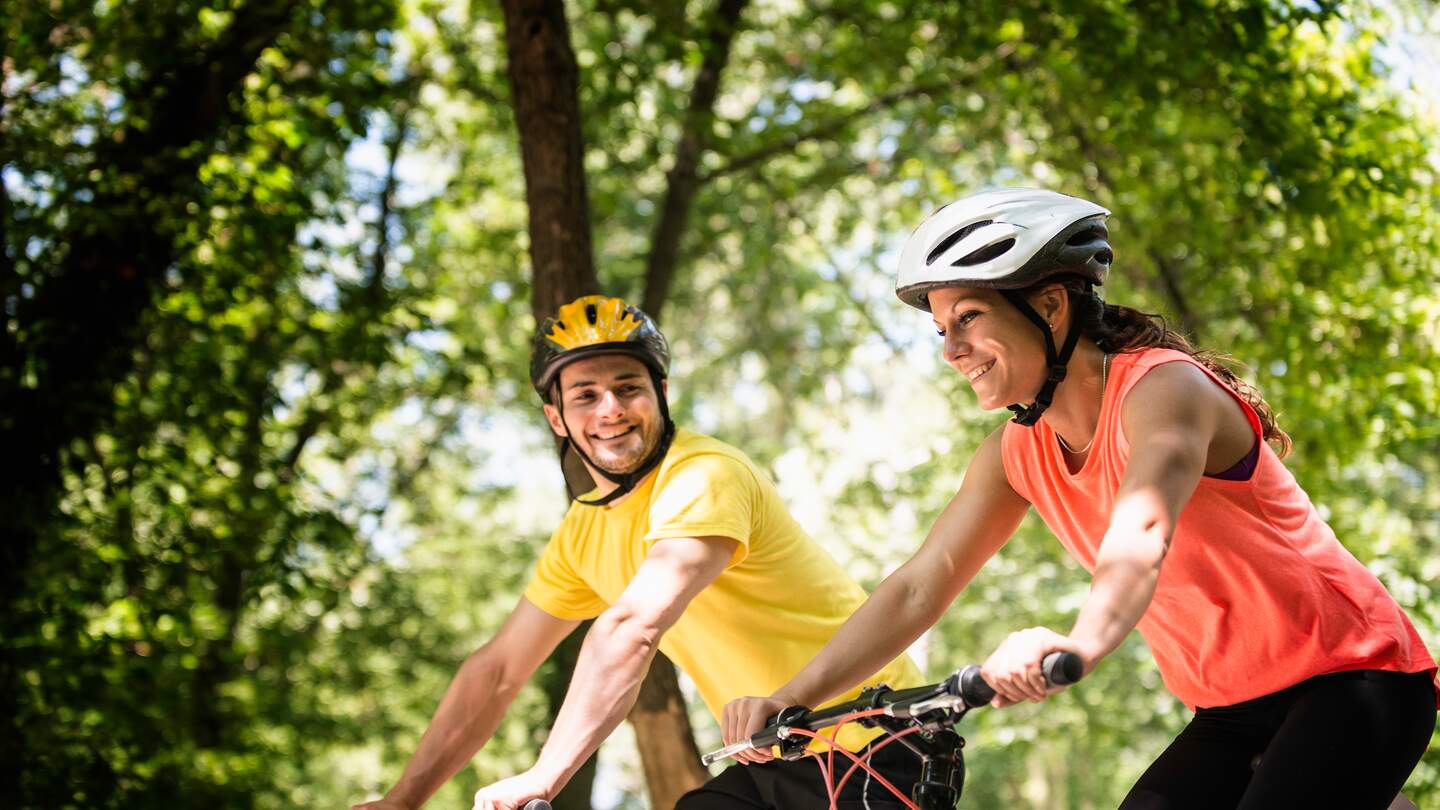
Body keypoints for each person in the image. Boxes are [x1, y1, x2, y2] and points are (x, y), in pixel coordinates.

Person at [722, 189, 1437, 809]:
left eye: (968, 318)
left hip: (1356, 675)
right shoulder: (1014, 453)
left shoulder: (1163, 389)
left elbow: (1143, 527)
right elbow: (921, 584)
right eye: (942, 329)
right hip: (1233, 707)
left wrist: (1077, 644)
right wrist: (796, 698)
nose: (950, 350)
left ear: (1052, 304)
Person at [351, 295, 924, 810]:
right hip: (777, 754)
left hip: (880, 738)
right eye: (585, 396)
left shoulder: (704, 476)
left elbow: (634, 626)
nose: (610, 410)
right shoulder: (582, 532)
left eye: (628, 387)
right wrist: (402, 800)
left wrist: (546, 774)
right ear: (557, 418)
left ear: (661, 393)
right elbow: (498, 671)